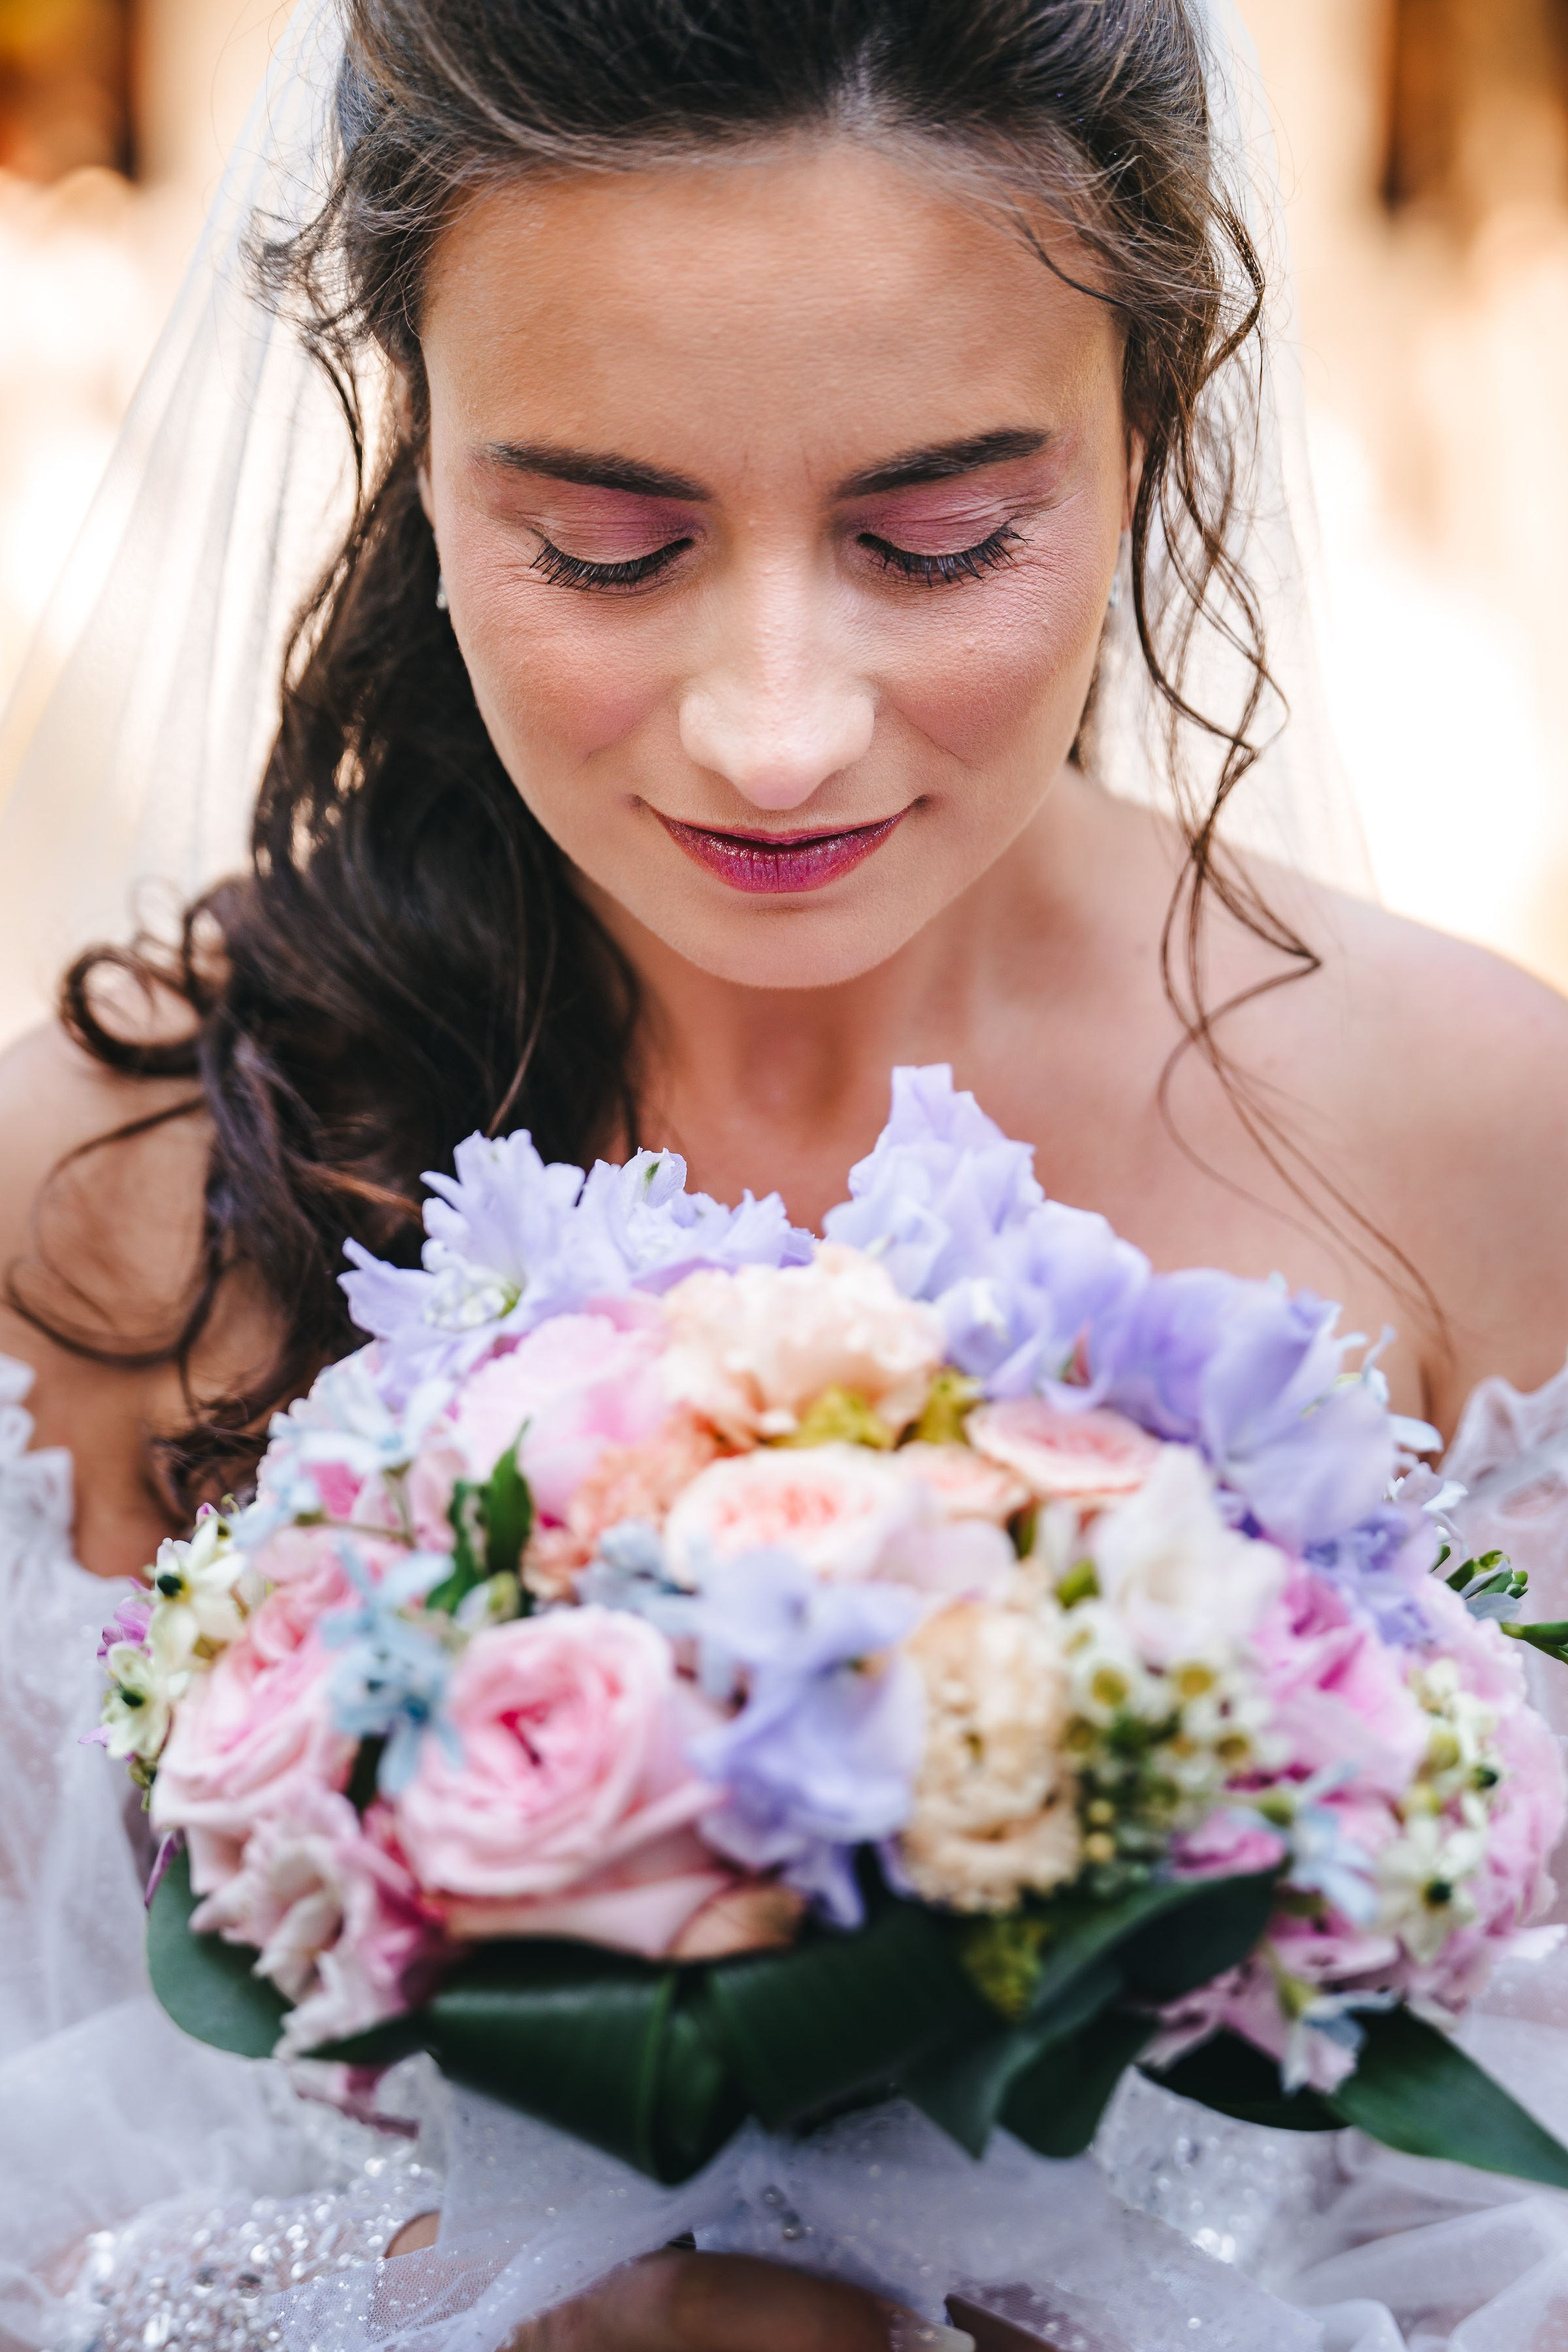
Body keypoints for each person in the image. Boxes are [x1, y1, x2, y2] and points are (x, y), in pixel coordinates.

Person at [3, 1, 1568, 2347]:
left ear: (1150, 424)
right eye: (607, 547)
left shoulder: (1471, 1137)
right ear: (417, 453)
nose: (775, 724)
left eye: (937, 540)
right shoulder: (117, 1195)